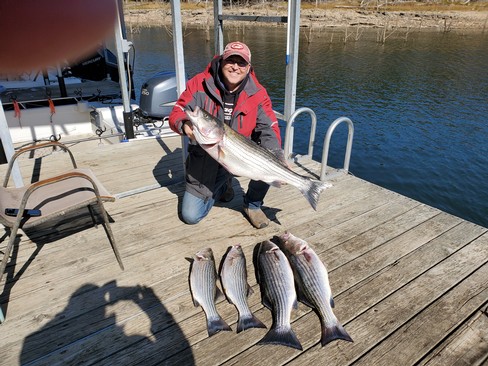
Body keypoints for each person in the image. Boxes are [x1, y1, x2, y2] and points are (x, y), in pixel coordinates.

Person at [169, 41, 282, 229]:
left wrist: (277, 156)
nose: (235, 67)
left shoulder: (258, 93)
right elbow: (178, 111)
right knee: (190, 216)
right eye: (231, 61)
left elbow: (269, 127)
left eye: (241, 63)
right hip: (205, 158)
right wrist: (185, 124)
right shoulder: (200, 83)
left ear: (248, 67)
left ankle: (252, 204)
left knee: (268, 157)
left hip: (242, 154)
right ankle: (223, 183)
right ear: (221, 61)